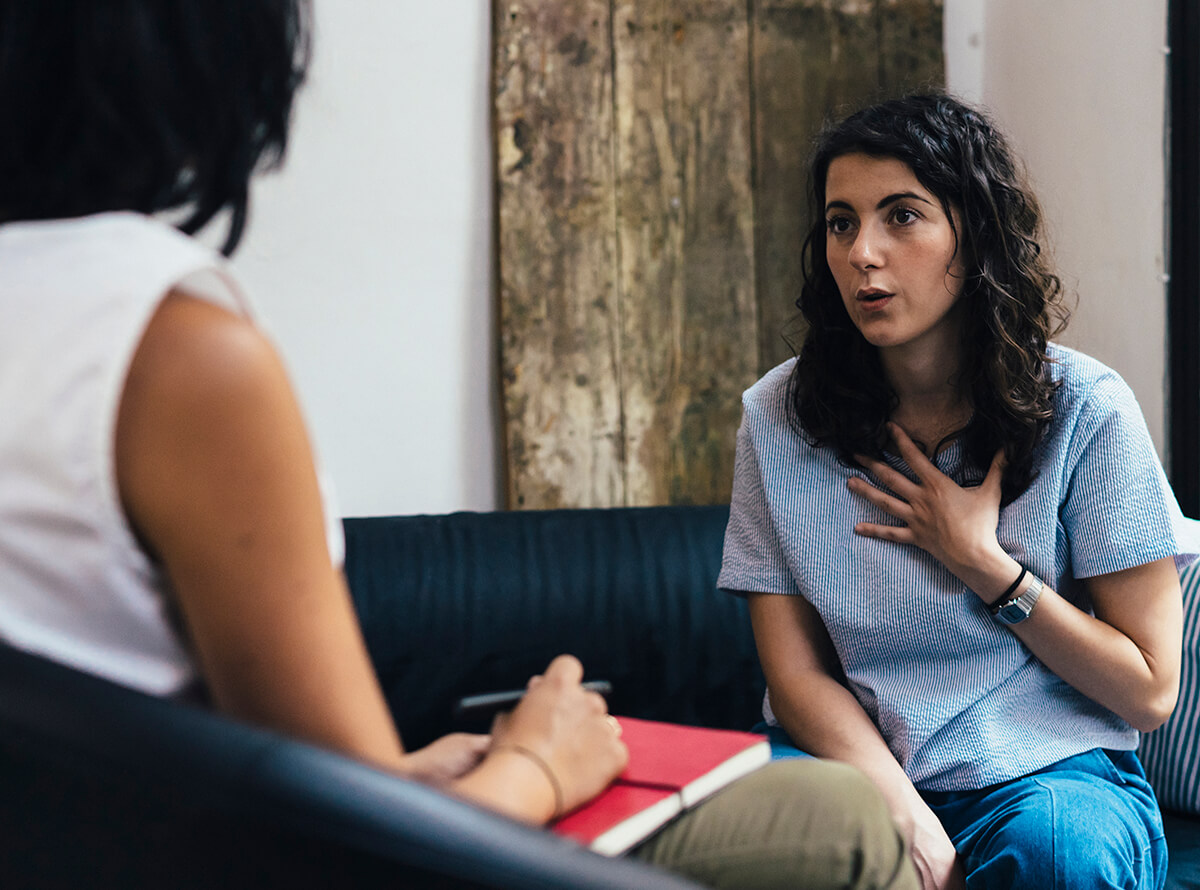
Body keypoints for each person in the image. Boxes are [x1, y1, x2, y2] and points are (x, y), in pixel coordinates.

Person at [0, 3, 920, 888]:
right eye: (841, 223)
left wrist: (401, 775)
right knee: (835, 819)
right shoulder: (174, 354)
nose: (863, 255)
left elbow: (244, 760)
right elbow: (350, 847)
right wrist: (538, 766)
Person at [719, 90, 1197, 890]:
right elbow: (795, 676)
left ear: (974, 237)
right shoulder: (777, 415)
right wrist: (898, 809)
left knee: (1057, 854)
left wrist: (983, 565)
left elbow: (1149, 689)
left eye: (900, 217)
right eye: (841, 222)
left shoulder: (1088, 407)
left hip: (1048, 771)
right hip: (846, 765)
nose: (863, 253)